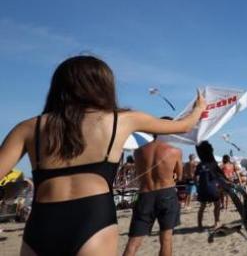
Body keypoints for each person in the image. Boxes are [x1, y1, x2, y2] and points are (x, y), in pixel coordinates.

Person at [0, 55, 204, 256]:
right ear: (104, 86)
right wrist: (199, 108)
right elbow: (184, 126)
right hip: (93, 219)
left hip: (42, 223)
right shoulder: (121, 120)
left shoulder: (27, 128)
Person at [122, 118, 184, 256]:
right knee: (166, 239)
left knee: (133, 242)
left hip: (145, 194)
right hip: (166, 193)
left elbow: (140, 172)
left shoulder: (138, 151)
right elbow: (179, 177)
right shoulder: (175, 151)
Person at [195, 141, 224, 230]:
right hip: (212, 188)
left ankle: (199, 225)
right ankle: (216, 222)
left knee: (202, 207)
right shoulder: (213, 163)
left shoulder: (200, 165)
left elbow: (195, 177)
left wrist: (198, 187)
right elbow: (220, 176)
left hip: (203, 188)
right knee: (217, 205)